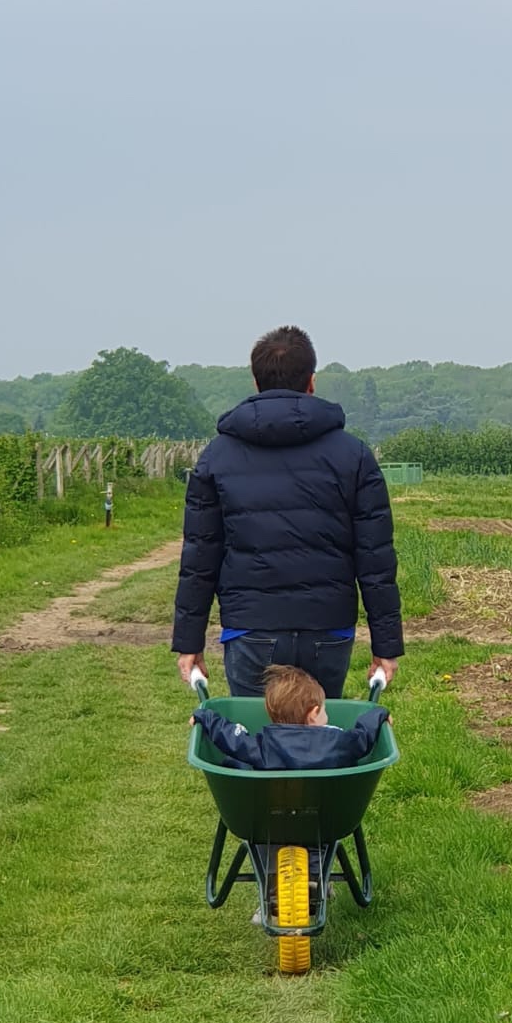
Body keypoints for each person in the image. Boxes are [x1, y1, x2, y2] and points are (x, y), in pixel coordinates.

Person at [171, 324, 403, 697]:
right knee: (318, 739)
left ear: (256, 382)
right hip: (327, 628)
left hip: (250, 629)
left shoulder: (217, 456)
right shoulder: (354, 456)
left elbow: (200, 556)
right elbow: (375, 560)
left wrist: (189, 641)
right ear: (311, 382)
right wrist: (386, 645)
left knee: (254, 741)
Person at [192, 665, 389, 771]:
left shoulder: (263, 746)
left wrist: (206, 717)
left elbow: (232, 738)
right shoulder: (339, 742)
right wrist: (378, 714)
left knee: (237, 762)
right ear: (313, 714)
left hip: (271, 809)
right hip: (328, 809)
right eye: (324, 710)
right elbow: (363, 736)